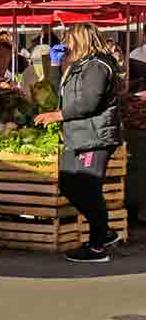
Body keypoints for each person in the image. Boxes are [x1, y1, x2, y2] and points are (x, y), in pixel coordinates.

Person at [35, 23, 124, 263]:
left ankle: (97, 246)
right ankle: (103, 232)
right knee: (68, 182)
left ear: (81, 40)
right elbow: (59, 94)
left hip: (95, 137)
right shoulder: (79, 65)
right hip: (79, 136)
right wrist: (55, 65)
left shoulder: (97, 66)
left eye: (69, 38)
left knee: (88, 187)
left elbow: (89, 102)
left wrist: (58, 116)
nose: (66, 43)